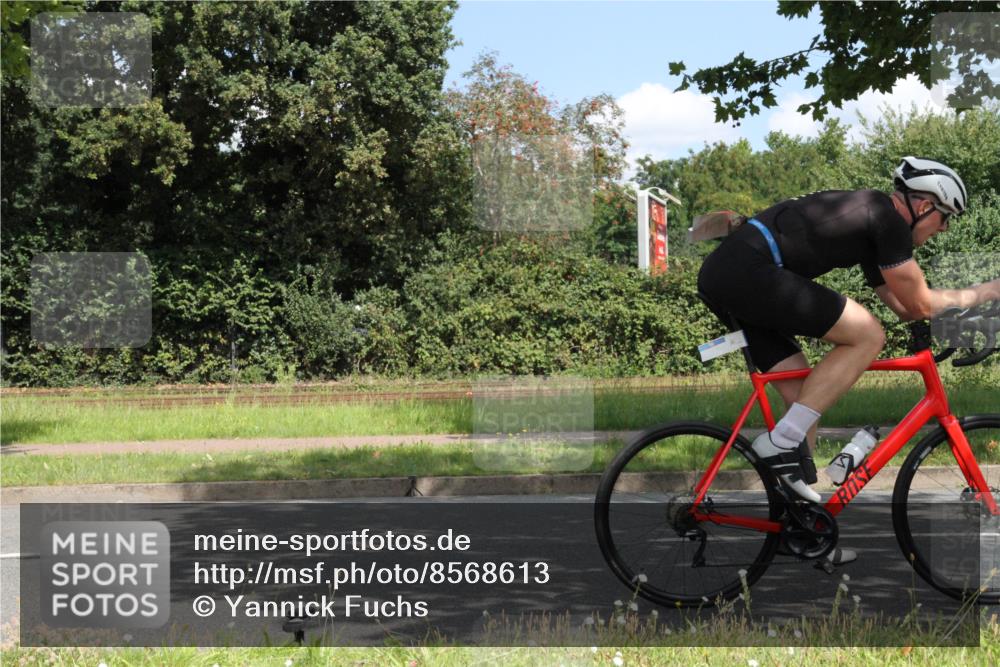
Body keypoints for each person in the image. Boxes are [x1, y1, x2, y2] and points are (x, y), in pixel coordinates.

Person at [697, 157, 1000, 563]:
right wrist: (990, 290)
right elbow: (922, 302)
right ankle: (780, 444)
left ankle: (804, 530)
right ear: (925, 205)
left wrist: (962, 322)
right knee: (868, 334)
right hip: (747, 272)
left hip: (731, 274)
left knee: (804, 398)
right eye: (945, 217)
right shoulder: (886, 219)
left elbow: (906, 308)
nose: (943, 228)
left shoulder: (873, 226)